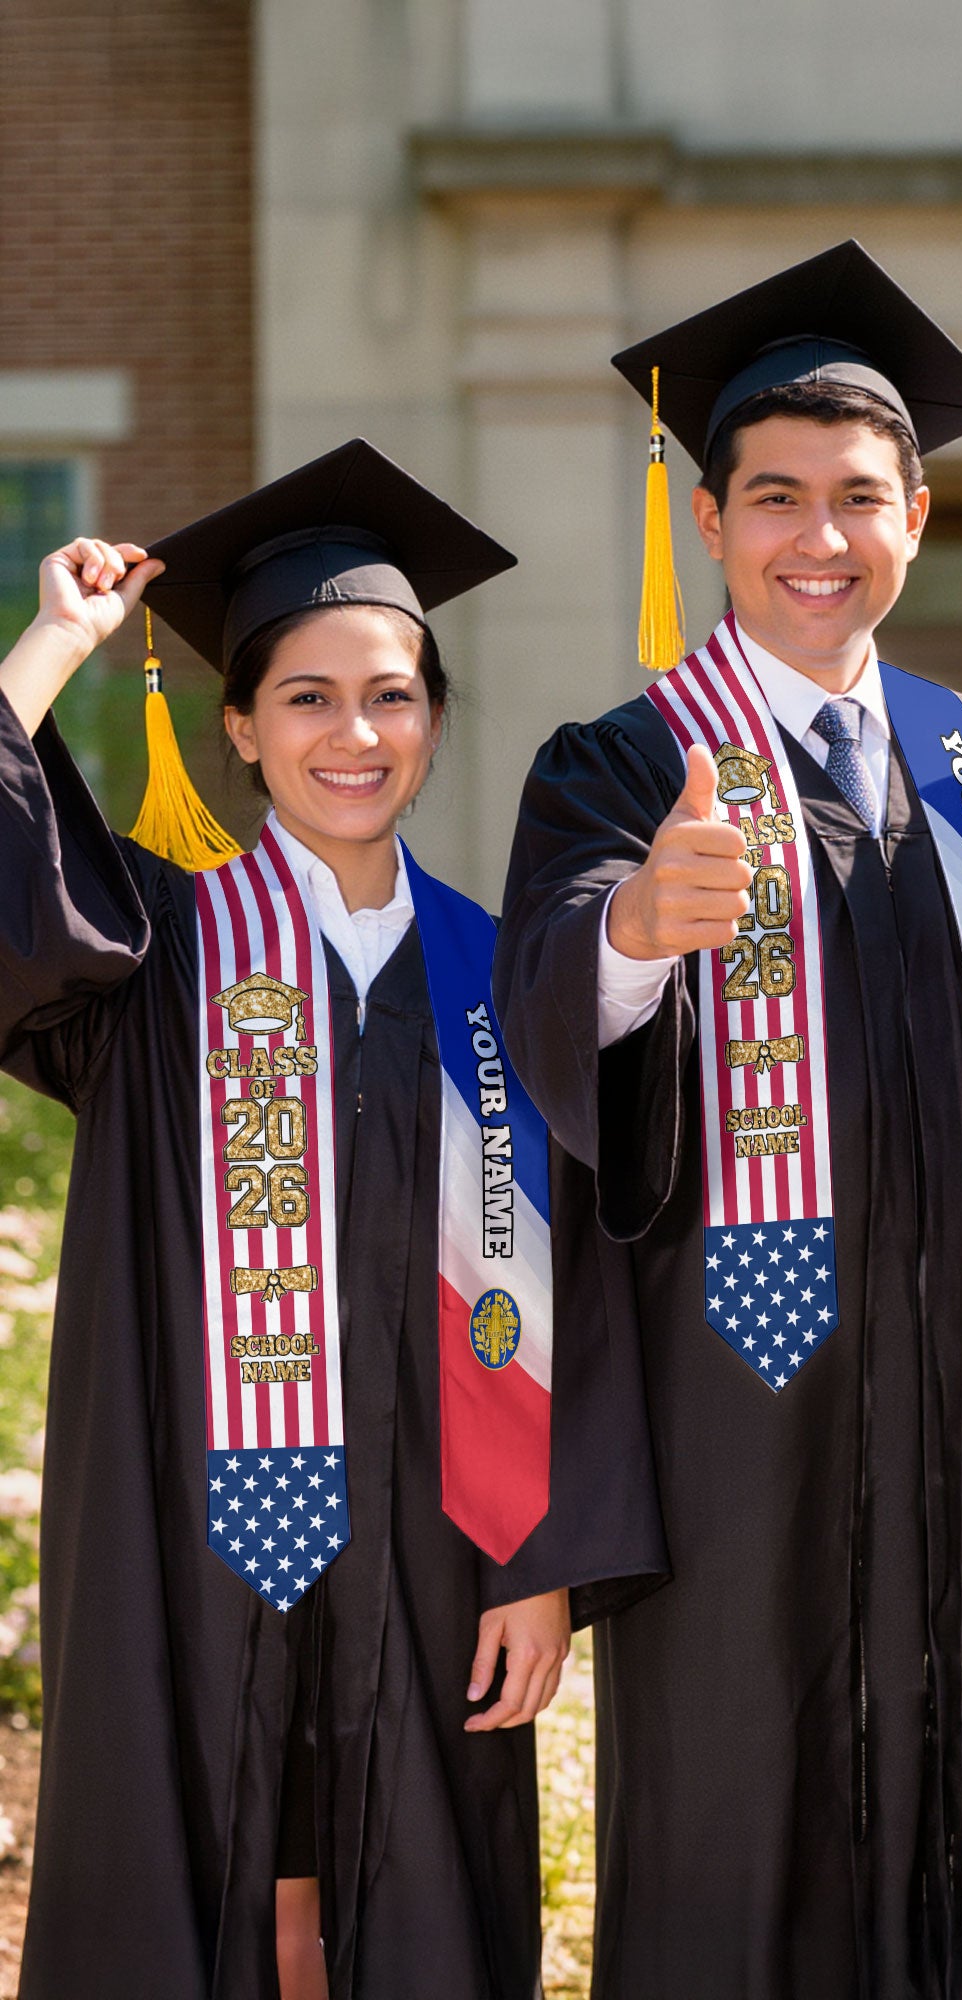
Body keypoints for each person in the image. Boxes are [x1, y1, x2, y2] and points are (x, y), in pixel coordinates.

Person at [495, 241, 962, 1998]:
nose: (818, 538)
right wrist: (632, 931)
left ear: (917, 515)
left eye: (860, 498)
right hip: (731, 1415)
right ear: (711, 522)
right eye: (776, 498)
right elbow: (544, 994)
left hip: (955, 1402)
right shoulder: (621, 765)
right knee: (735, 1836)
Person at [0, 440, 663, 2000]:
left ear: (434, 719)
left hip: (445, 1548)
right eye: (305, 697)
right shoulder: (152, 951)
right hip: (189, 1533)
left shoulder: (507, 976)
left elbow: (593, 1281)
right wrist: (52, 647)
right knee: (199, 1867)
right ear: (238, 726)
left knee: (421, 1898)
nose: (352, 734)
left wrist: (545, 1560)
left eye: (391, 695)